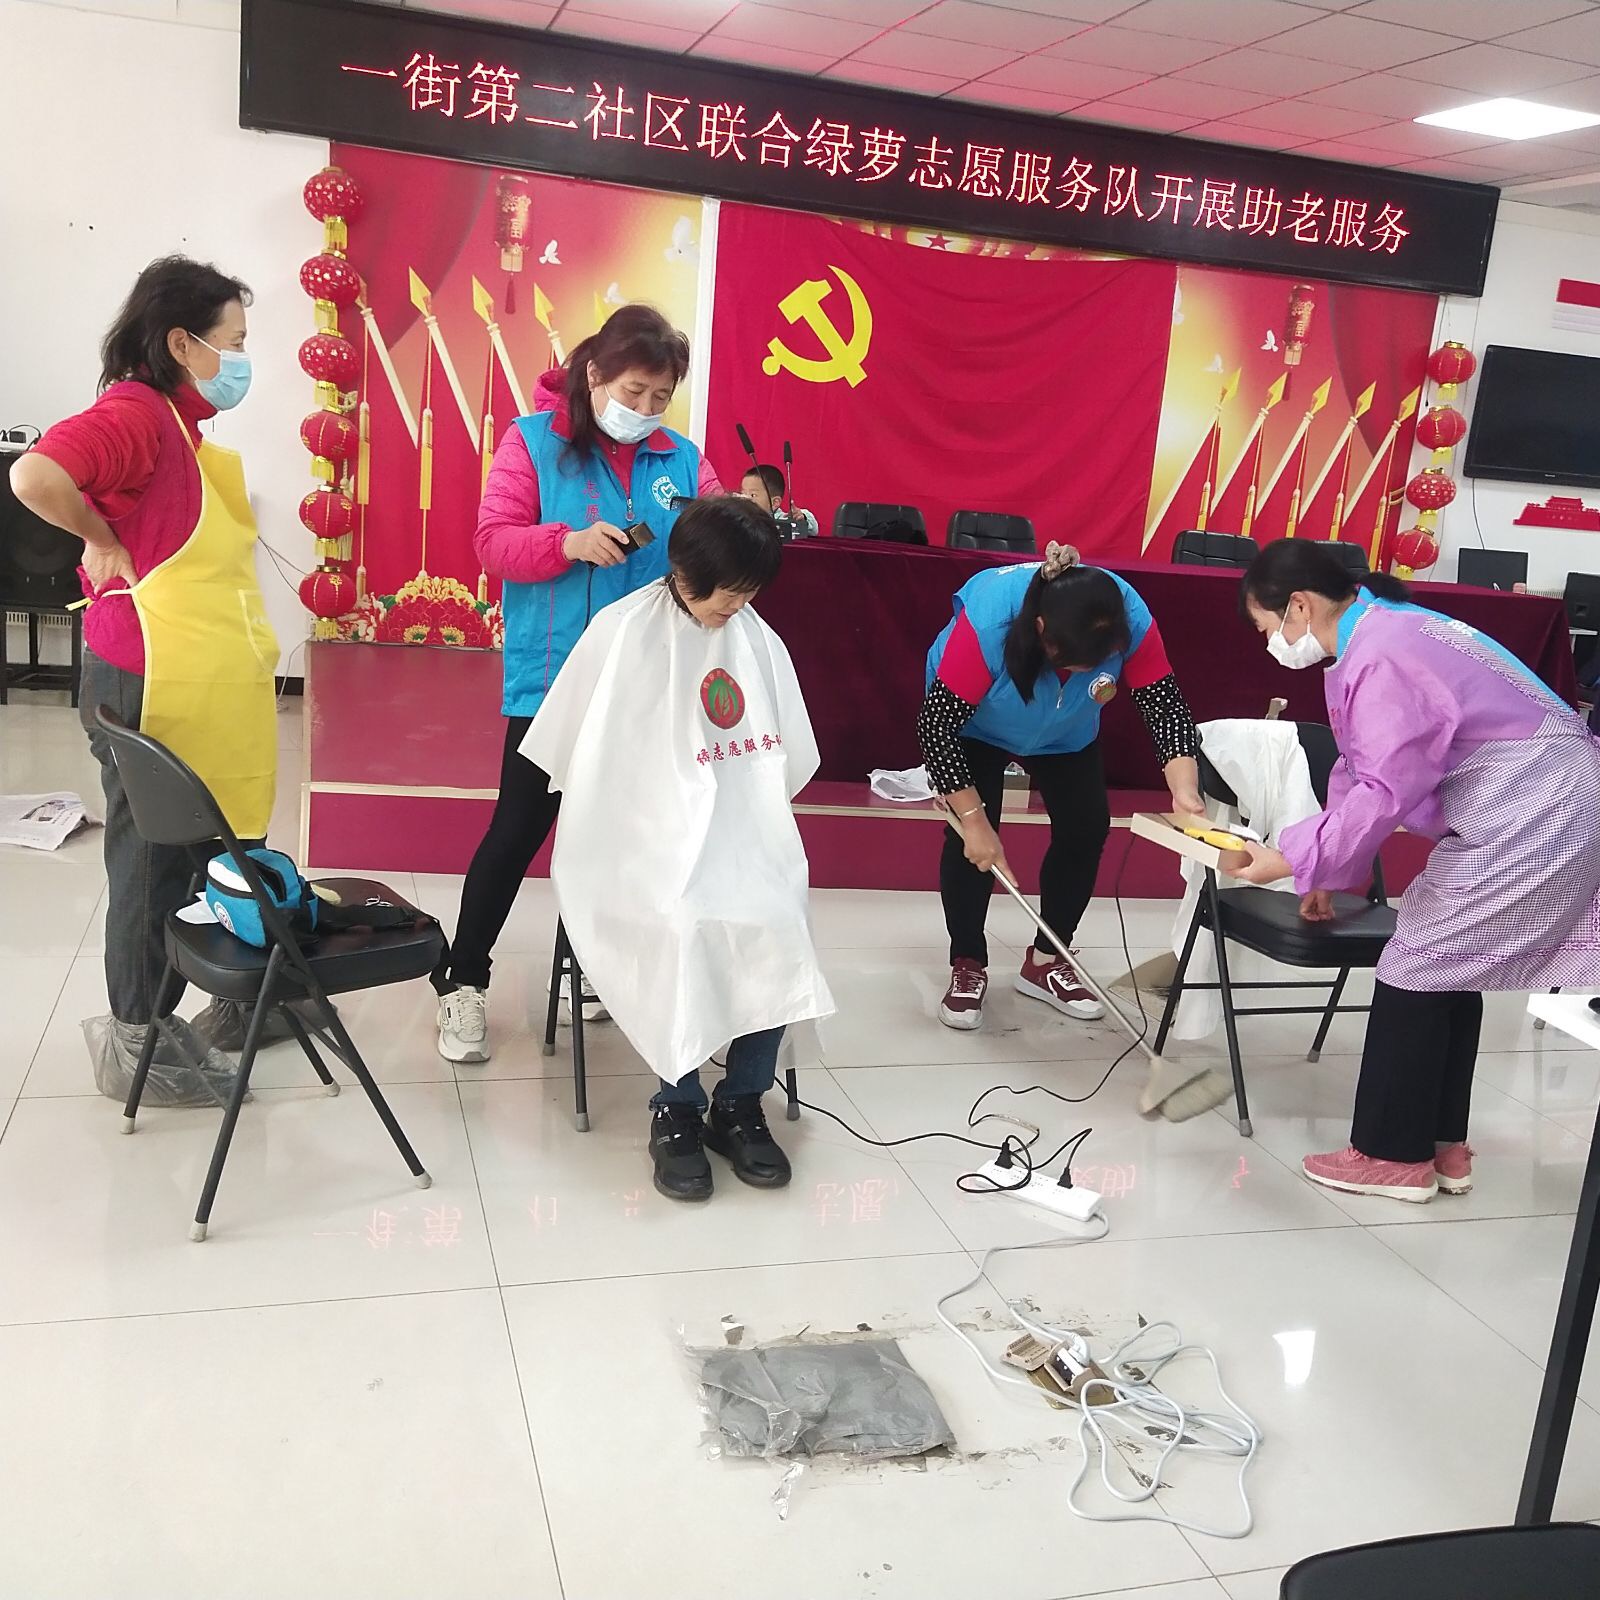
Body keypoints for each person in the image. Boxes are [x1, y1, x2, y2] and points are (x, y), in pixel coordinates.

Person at [1225, 539, 1600, 1203]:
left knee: (1417, 964)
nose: (1268, 644)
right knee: (1447, 964)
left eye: (1265, 627)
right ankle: (1441, 1146)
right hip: (1550, 800)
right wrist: (1325, 871)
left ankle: (1392, 1155)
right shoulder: (1385, 628)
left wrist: (1290, 857)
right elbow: (1362, 766)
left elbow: (1384, 787)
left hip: (1534, 809)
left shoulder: (1381, 651)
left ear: (1299, 606)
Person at [10, 256, 276, 1105]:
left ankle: (230, 999)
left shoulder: (181, 424)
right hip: (146, 681)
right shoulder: (135, 414)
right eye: (234, 342)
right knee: (154, 861)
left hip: (192, 682)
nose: (242, 360)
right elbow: (34, 475)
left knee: (208, 851)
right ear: (182, 344)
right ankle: (138, 1038)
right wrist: (99, 537)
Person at [522, 497, 834, 1201]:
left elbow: (781, 759)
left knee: (778, 918)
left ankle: (740, 1102)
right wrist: (662, 810)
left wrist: (732, 817)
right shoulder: (621, 632)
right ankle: (677, 1108)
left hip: (736, 832)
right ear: (684, 571)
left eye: (749, 593)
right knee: (684, 924)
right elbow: (577, 761)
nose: (738, 606)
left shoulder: (756, 638)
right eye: (729, 592)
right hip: (635, 841)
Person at [435, 305, 723, 1064]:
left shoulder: (681, 459)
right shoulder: (533, 442)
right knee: (517, 832)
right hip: (554, 678)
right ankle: (462, 981)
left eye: (661, 397)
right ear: (594, 373)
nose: (646, 410)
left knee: (618, 839)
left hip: (647, 682)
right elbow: (493, 543)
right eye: (634, 392)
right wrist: (566, 543)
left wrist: (739, 527)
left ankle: (591, 966)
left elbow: (714, 533)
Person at [920, 542, 1205, 1031]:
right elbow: (936, 726)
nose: (1081, 673)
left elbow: (1165, 707)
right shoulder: (989, 623)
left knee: (1086, 828)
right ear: (1041, 630)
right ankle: (967, 961)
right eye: (1071, 664)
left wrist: (1185, 790)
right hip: (974, 724)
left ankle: (1046, 960)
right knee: (972, 841)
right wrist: (973, 821)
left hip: (1067, 732)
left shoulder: (1129, 618)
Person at [737, 462, 818, 536]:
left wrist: (801, 518)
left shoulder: (781, 521)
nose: (745, 498)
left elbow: (812, 530)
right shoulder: (739, 518)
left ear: (774, 503)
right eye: (743, 494)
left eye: (753, 495)